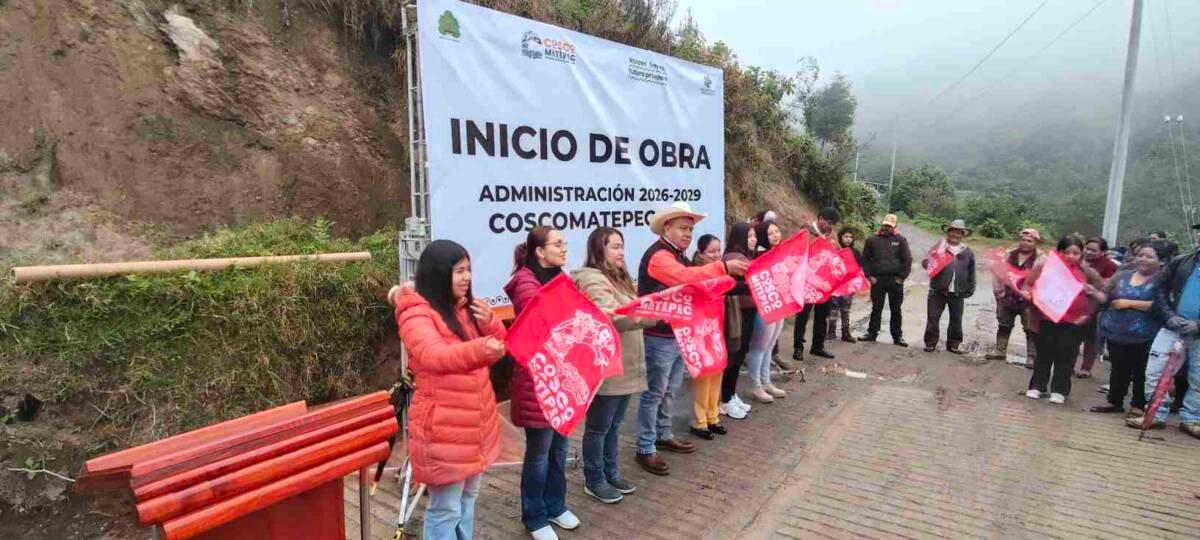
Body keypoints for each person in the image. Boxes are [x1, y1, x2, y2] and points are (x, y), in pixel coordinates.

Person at [390, 240, 507, 540]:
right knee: (445, 509)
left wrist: (491, 324)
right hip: (443, 429)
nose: (466, 277)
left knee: (468, 499)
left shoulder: (465, 309)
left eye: (468, 270)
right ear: (438, 273)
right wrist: (481, 348)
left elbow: (500, 345)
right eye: (458, 271)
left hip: (474, 424)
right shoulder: (416, 314)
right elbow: (433, 355)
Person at [635, 202, 748, 476]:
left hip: (676, 332)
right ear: (667, 228)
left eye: (691, 229)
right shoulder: (660, 257)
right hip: (658, 335)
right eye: (683, 228)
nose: (688, 234)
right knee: (654, 393)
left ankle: (663, 433)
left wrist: (737, 282)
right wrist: (722, 267)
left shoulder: (678, 255)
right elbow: (686, 279)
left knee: (670, 389)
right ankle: (645, 446)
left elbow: (699, 286)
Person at [504, 226, 579, 539]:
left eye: (564, 243)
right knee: (539, 452)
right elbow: (545, 323)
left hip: (561, 378)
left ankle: (555, 506)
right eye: (557, 244)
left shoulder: (562, 278)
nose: (564, 249)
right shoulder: (525, 282)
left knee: (559, 448)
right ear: (538, 250)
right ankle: (534, 517)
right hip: (537, 382)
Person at [572, 227, 655, 505]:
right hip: (607, 367)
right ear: (599, 250)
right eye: (615, 247)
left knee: (614, 424)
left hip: (627, 365)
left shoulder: (619, 278)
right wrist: (651, 315)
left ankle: (610, 471)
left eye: (622, 246)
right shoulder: (593, 279)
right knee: (599, 427)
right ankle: (594, 479)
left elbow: (631, 309)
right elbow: (613, 317)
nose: (621, 252)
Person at [1130, 233, 1200, 438]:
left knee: (1199, 379)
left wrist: (1198, 325)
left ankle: (1192, 419)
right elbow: (1158, 290)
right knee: (1155, 371)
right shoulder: (1180, 262)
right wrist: (1169, 316)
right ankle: (1155, 414)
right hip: (1172, 327)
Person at [1022, 235, 1106, 405]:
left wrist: (1088, 313)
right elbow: (1028, 284)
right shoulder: (1044, 267)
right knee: (1043, 354)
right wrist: (1028, 293)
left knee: (1066, 356)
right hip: (1046, 318)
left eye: (1076, 253)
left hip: (1073, 323)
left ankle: (1060, 390)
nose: (1071, 256)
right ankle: (1038, 386)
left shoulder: (1087, 272)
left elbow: (1100, 294)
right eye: (1067, 252)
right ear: (1059, 252)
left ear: (1081, 255)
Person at [1090, 241, 1168, 415]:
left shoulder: (1163, 280)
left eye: (1149, 256)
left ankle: (1138, 405)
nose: (1143, 259)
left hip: (1146, 335)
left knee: (1141, 370)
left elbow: (1162, 306)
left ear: (1161, 261)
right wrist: (1093, 292)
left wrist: (1128, 303)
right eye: (1140, 255)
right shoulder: (1122, 275)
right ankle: (1114, 401)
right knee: (1118, 367)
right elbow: (1105, 296)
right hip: (1116, 331)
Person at [689, 235, 731, 440]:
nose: (716, 255)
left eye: (718, 251)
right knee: (704, 376)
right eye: (712, 251)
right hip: (699, 332)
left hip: (716, 328)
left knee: (717, 373)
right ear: (701, 252)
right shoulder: (694, 273)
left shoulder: (720, 272)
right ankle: (699, 421)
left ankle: (713, 416)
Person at [746, 220, 789, 403]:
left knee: (770, 346)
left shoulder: (781, 253)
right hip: (764, 308)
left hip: (780, 305)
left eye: (777, 231)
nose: (775, 235)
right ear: (763, 235)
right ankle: (755, 385)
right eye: (770, 233)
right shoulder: (759, 256)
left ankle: (766, 381)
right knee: (759, 347)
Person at [720, 222, 758, 420]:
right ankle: (725, 398)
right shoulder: (735, 258)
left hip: (747, 312)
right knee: (733, 356)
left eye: (754, 236)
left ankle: (731, 394)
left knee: (739, 354)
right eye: (749, 236)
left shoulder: (745, 256)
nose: (753, 239)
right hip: (738, 314)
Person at [986, 229, 1041, 366]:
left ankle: (1031, 357)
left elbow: (1043, 280)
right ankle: (1000, 350)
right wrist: (998, 291)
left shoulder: (1041, 259)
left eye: (1029, 241)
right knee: (1004, 324)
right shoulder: (1008, 255)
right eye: (1023, 240)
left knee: (1030, 329)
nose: (1025, 243)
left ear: (1035, 243)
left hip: (1028, 300)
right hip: (1008, 296)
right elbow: (998, 274)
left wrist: (1035, 296)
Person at [792, 207, 841, 361]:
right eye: (828, 222)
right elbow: (796, 252)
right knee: (803, 315)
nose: (829, 226)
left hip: (824, 284)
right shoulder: (806, 232)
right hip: (807, 282)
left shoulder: (832, 236)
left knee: (822, 315)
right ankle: (798, 347)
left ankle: (818, 347)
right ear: (820, 219)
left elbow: (837, 254)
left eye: (832, 223)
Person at [921, 220, 976, 354]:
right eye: (952, 231)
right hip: (937, 290)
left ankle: (954, 345)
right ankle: (930, 343)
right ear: (948, 232)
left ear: (962, 235)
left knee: (956, 319)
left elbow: (971, 271)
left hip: (957, 292)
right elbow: (925, 263)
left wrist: (971, 288)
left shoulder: (967, 252)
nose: (955, 234)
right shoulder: (939, 247)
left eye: (958, 232)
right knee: (933, 318)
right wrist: (932, 260)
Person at [861, 214, 912, 347]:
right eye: (885, 225)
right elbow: (865, 259)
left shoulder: (901, 240)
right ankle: (872, 333)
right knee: (876, 307)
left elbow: (907, 260)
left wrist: (901, 278)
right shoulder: (872, 240)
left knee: (896, 309)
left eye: (889, 226)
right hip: (878, 280)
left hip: (895, 280)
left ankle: (897, 336)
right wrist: (869, 276)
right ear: (882, 224)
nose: (886, 228)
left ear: (895, 226)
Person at [1076, 237, 1120, 378]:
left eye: (1093, 250)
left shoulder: (1109, 265)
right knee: (1071, 338)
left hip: (1096, 307)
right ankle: (1068, 365)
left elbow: (1109, 287)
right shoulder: (1076, 259)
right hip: (1075, 304)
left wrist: (1093, 284)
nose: (1088, 252)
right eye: (1087, 249)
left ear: (1103, 252)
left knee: (1091, 339)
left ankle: (1086, 368)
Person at [826, 227, 862, 343]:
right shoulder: (835, 250)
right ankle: (831, 332)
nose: (848, 239)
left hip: (848, 286)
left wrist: (856, 283)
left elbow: (859, 268)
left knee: (845, 310)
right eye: (845, 237)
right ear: (840, 238)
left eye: (850, 237)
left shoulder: (855, 252)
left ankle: (846, 333)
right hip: (836, 286)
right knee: (833, 309)